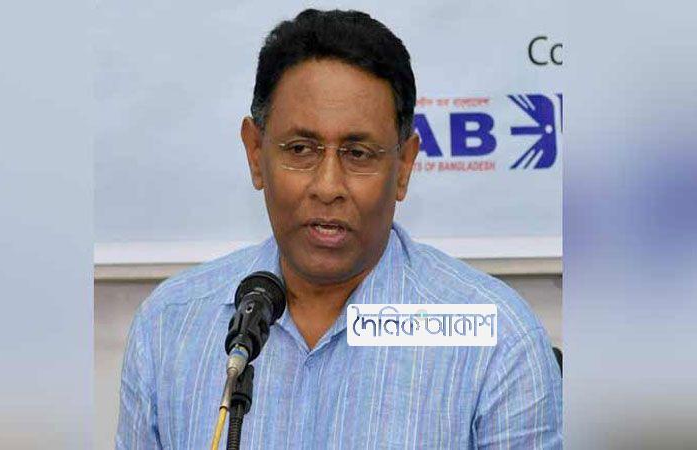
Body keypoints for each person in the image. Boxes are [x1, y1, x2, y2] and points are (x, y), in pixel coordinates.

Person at [116, 8, 562, 449]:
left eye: (358, 154)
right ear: (255, 154)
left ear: (404, 166)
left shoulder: (496, 342)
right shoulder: (170, 327)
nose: (328, 187)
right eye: (300, 149)